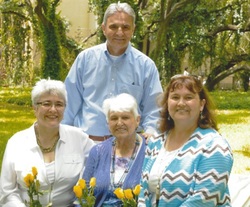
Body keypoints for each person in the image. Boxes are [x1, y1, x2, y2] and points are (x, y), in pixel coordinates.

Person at [62, 2, 163, 141]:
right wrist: (63, 138)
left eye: (126, 27)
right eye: (113, 26)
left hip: (129, 147)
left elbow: (154, 110)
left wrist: (151, 133)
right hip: (87, 144)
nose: (120, 32)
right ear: (103, 28)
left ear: (133, 29)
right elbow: (69, 103)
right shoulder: (85, 60)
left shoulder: (146, 66)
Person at [138, 75, 233, 206]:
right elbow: (143, 190)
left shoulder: (215, 146)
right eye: (175, 97)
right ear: (167, 103)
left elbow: (204, 200)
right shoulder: (156, 141)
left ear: (201, 104)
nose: (181, 103)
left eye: (188, 97)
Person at [0, 79, 95, 207]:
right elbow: (7, 192)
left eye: (59, 104)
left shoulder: (80, 139)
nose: (53, 110)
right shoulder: (16, 143)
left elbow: (100, 164)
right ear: (35, 107)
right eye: (46, 104)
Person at [82, 93, 146, 207]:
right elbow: (84, 194)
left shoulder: (149, 151)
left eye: (125, 117)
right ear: (108, 123)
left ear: (137, 120)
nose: (119, 123)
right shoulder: (97, 152)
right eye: (114, 118)